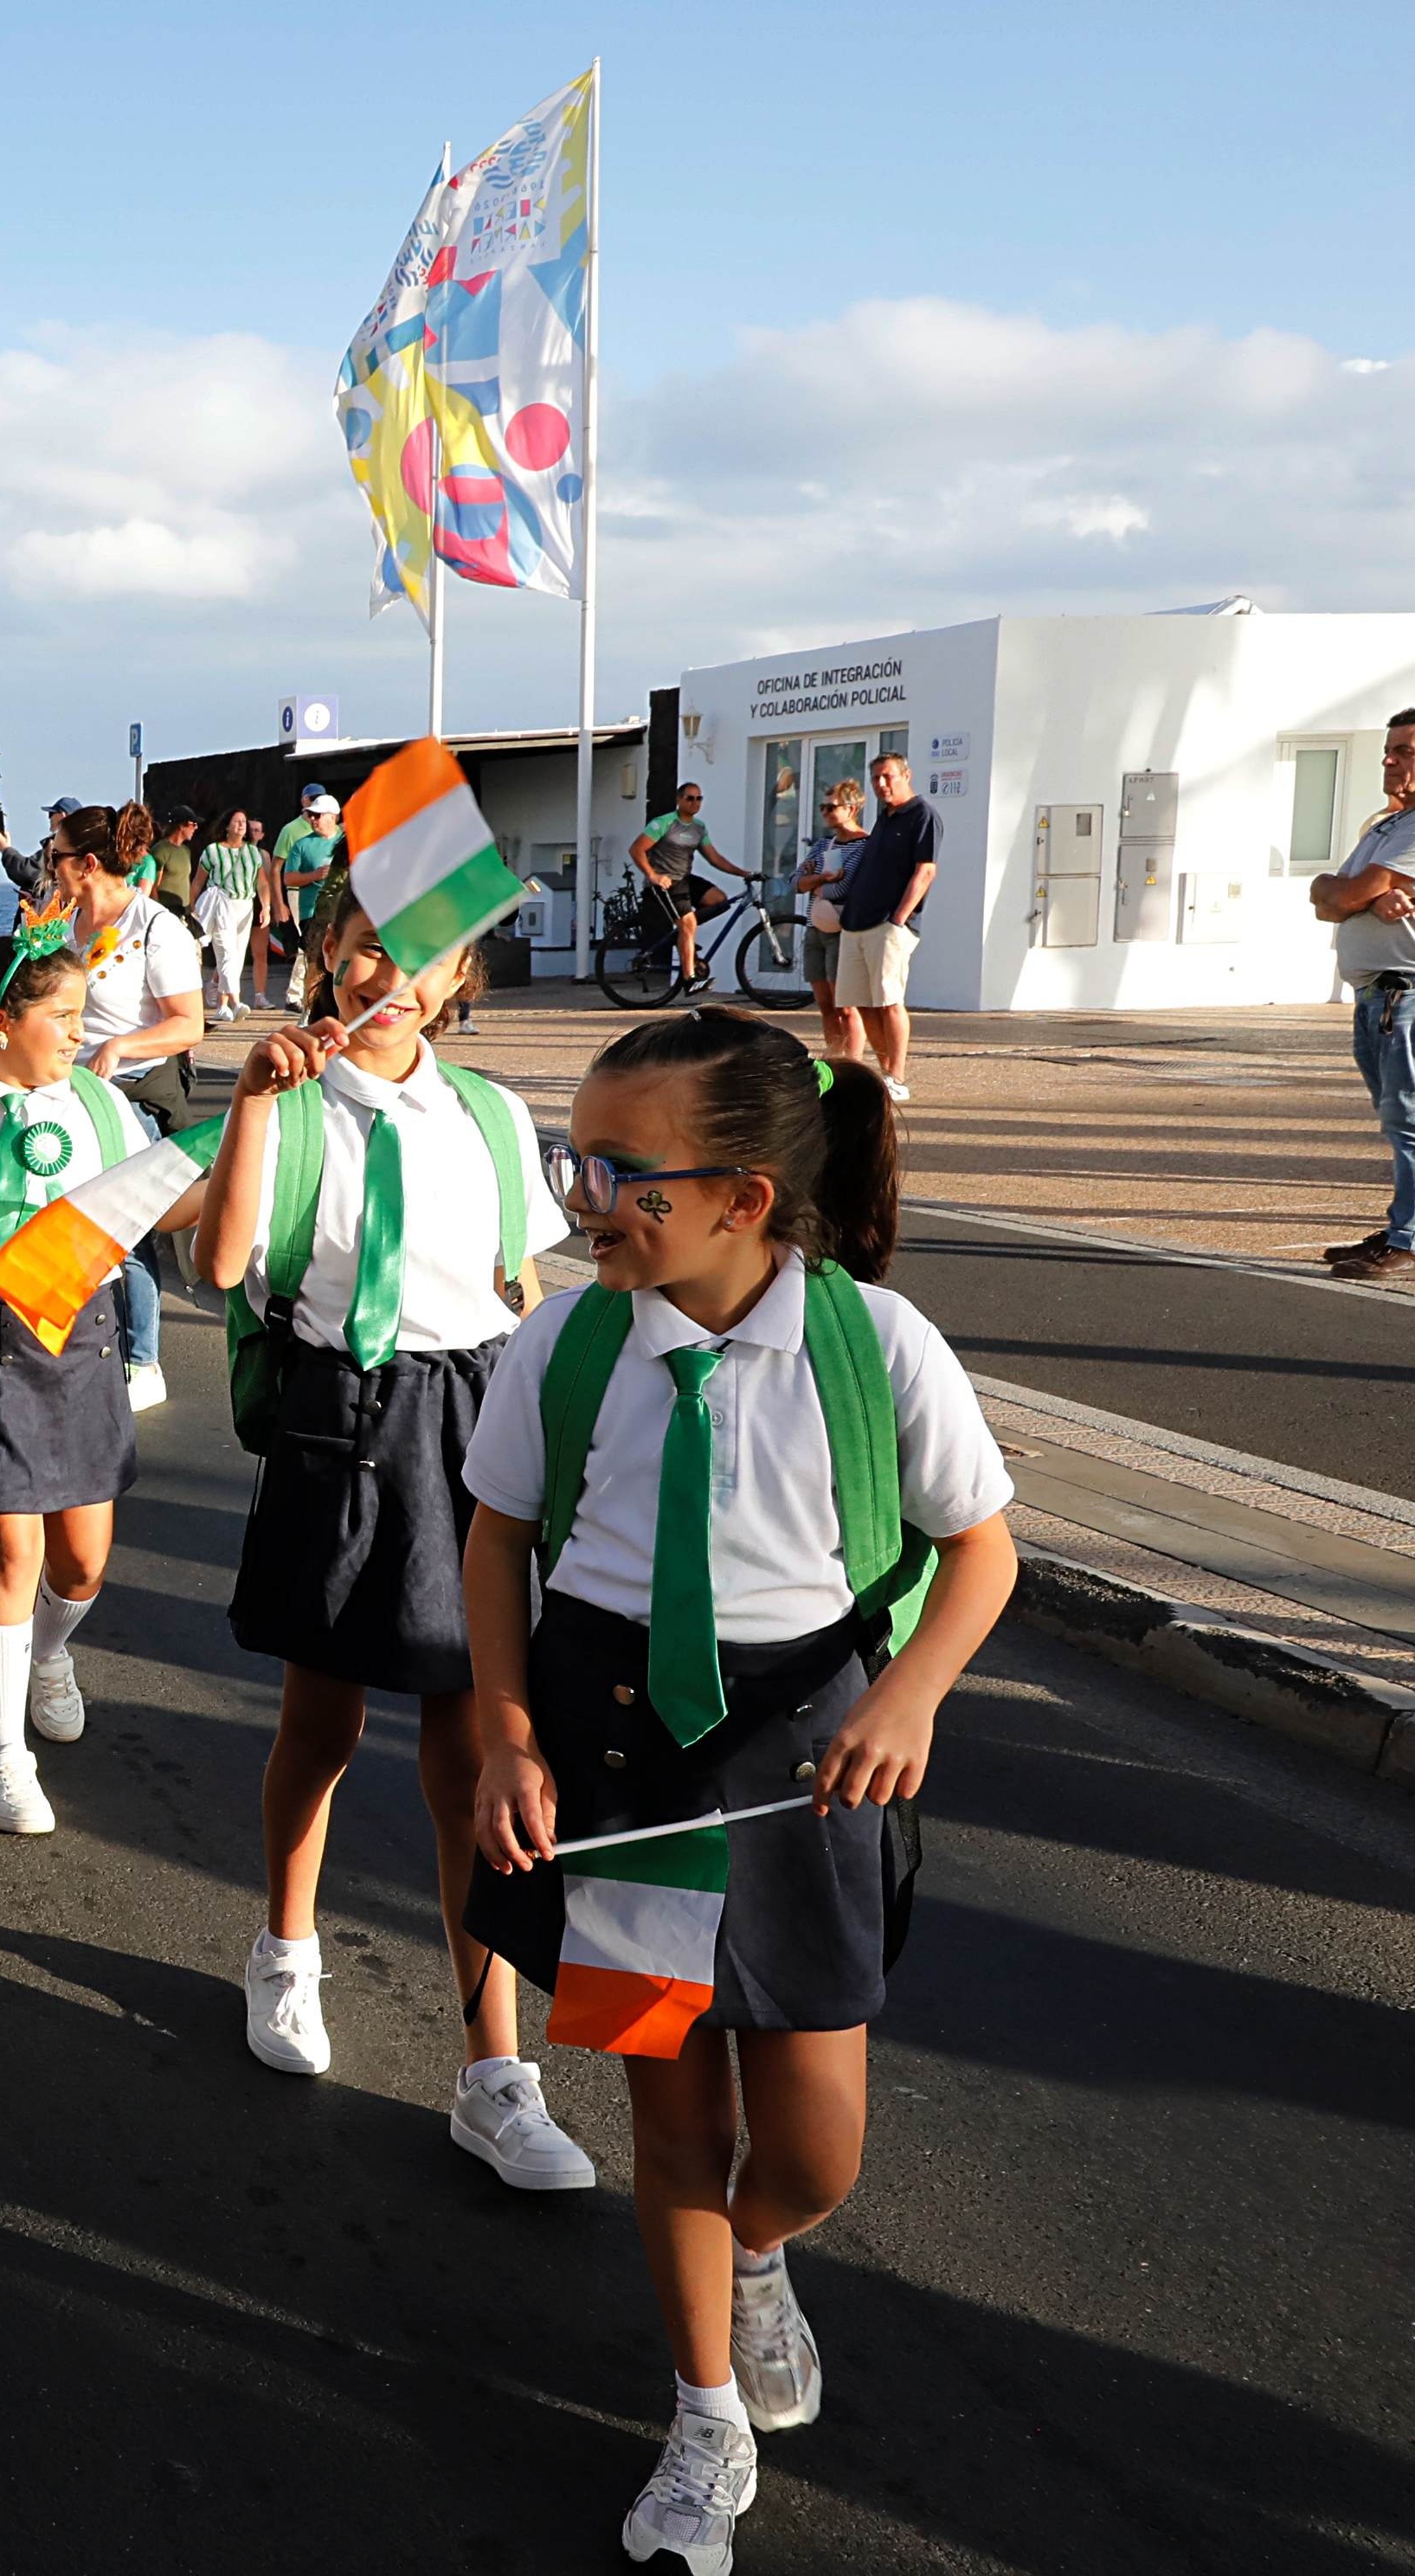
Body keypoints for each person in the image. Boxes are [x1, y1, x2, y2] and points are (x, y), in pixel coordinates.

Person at [460, 1006, 1016, 2576]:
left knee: (815, 2148)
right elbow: (498, 1543)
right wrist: (506, 1735)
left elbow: (981, 1550)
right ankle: (702, 2414)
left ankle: (761, 2247)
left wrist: (907, 1695)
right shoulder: (563, 1345)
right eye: (573, 1160)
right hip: (616, 1759)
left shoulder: (874, 1344)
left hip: (804, 1769)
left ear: (742, 1198)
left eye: (615, 1171)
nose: (582, 1199)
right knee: (672, 2114)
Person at [195, 881, 599, 2193]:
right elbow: (219, 1267)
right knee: (322, 1726)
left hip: (475, 1422)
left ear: (459, 977)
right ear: (325, 952)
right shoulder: (291, 1103)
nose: (392, 977)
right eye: (369, 947)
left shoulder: (490, 1113)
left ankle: (494, 2073)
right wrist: (252, 1103)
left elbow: (523, 1287)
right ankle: (285, 1949)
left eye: (425, 956)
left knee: (472, 1753)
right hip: (341, 1417)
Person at [0, 921, 196, 1834]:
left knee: (82, 1563)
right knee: (12, 1555)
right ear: (1, 1022)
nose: (81, 1033)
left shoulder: (102, 1106)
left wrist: (248, 1144)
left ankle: (46, 1655)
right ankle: (2, 1755)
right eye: (64, 1016)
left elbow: (164, 1205)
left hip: (84, 1341)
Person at [1310, 708, 1415, 1285]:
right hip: (1380, 995)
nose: (1388, 760)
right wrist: (1351, 895)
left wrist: (1352, 895)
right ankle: (1402, 1230)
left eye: (1405, 751)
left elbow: (1345, 895)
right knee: (1397, 1116)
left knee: (1411, 1116)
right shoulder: (1392, 824)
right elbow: (1325, 896)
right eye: (1389, 749)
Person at [48, 805, 205, 1410]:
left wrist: (119, 1047)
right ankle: (73, 1345)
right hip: (63, 1091)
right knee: (62, 1218)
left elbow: (188, 1025)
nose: (51, 867)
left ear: (87, 863)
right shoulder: (62, 922)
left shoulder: (155, 926)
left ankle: (143, 1360)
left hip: (131, 1095)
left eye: (57, 856)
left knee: (127, 1231)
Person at [832, 758, 936, 1096]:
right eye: (875, 778)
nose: (881, 784)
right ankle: (885, 1074)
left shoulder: (922, 815)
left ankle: (898, 1079)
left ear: (906, 775)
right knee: (862, 1003)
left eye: (887, 777)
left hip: (888, 924)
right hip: (856, 923)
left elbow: (926, 871)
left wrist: (899, 919)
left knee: (890, 1002)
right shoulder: (884, 817)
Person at [627, 783, 752, 1001]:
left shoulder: (699, 828)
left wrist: (744, 873)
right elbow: (636, 849)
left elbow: (714, 858)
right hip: (664, 882)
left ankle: (685, 935)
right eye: (690, 798)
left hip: (684, 880)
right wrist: (653, 875)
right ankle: (690, 981)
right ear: (679, 800)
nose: (695, 803)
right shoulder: (664, 823)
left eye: (699, 799)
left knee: (719, 900)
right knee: (688, 922)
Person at [794, 777, 871, 1062]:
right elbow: (795, 882)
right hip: (815, 928)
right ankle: (834, 1060)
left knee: (846, 1006)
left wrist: (814, 881)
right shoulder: (824, 844)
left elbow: (843, 888)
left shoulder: (865, 845)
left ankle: (853, 1064)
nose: (825, 812)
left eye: (831, 807)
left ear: (851, 809)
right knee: (825, 1005)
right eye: (822, 807)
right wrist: (822, 880)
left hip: (842, 931)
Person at [196, 811, 263, 1017]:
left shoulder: (253, 852)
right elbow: (198, 882)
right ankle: (235, 1002)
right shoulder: (213, 851)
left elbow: (261, 882)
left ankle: (222, 1005)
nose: (241, 825)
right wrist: (193, 909)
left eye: (244, 821)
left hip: (245, 904)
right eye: (237, 821)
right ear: (226, 826)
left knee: (238, 955)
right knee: (227, 953)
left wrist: (267, 907)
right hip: (222, 904)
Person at [272, 787, 346, 950]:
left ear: (332, 817)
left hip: (342, 911)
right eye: (311, 814)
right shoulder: (301, 844)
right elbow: (288, 879)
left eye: (317, 815)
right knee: (314, 959)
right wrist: (314, 875)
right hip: (311, 914)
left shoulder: (346, 841)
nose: (312, 819)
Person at [147, 803, 203, 913]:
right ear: (181, 826)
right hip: (167, 911)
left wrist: (192, 909)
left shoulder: (186, 851)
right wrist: (159, 912)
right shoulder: (160, 850)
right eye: (193, 824)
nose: (196, 828)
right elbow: (153, 886)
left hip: (184, 911)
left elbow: (186, 881)